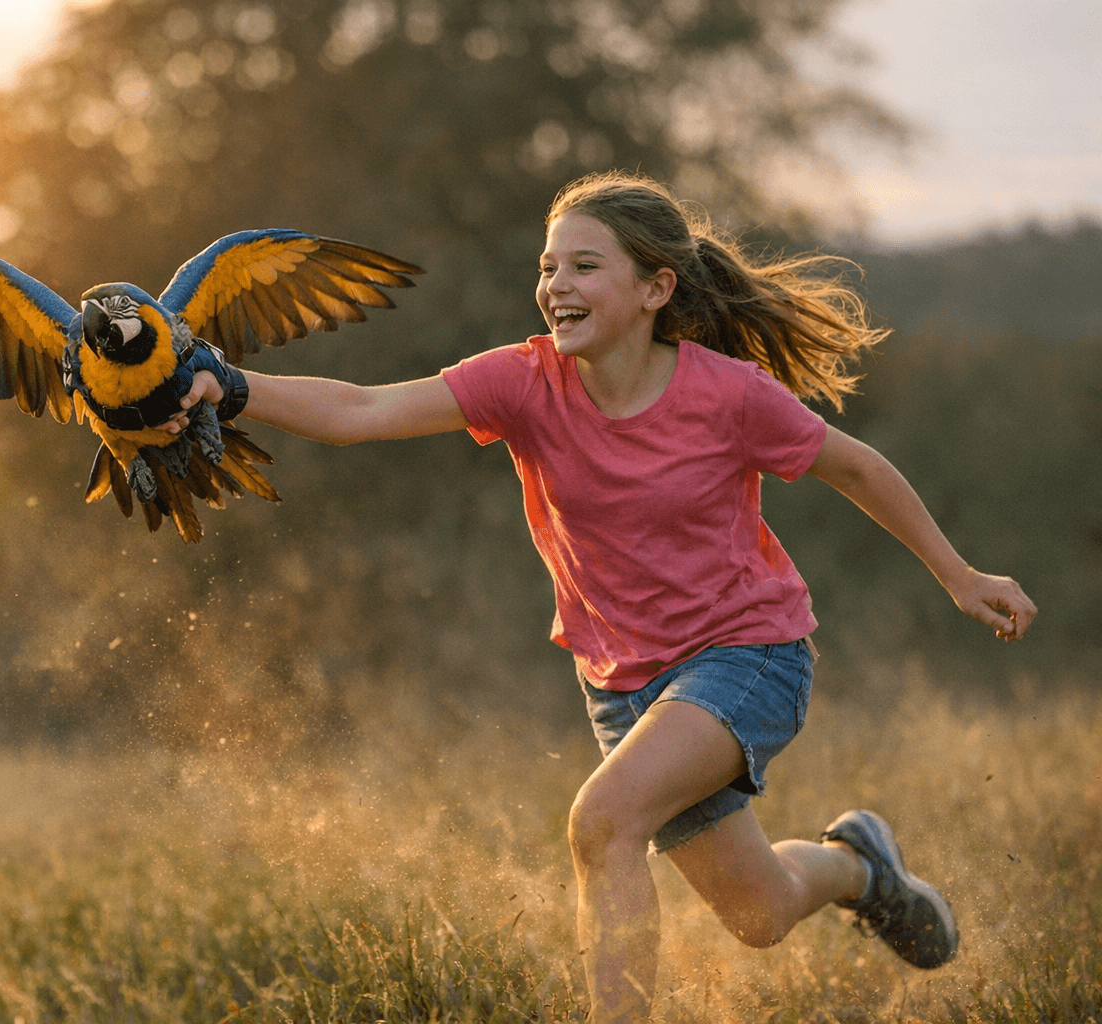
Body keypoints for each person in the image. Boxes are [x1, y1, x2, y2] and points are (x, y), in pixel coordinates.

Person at [169, 172, 1037, 1023]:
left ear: (655, 287)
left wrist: (960, 575)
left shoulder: (726, 394)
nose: (555, 286)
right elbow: (362, 407)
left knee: (602, 822)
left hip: (750, 654)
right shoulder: (524, 381)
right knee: (761, 915)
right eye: (549, 267)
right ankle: (861, 868)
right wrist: (233, 385)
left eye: (584, 266)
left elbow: (855, 466)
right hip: (625, 687)